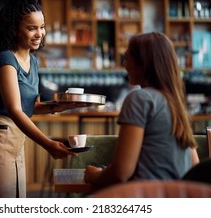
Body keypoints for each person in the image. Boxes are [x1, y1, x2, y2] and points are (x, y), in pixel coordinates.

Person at [0, 0, 76, 198]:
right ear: (15, 28)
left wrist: (63, 105)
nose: (39, 34)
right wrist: (48, 144)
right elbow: (14, 110)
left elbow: (29, 108)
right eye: (31, 28)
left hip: (16, 143)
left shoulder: (32, 62)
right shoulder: (6, 59)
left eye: (42, 27)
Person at [84, 32, 199, 188]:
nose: (124, 65)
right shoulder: (176, 104)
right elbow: (194, 167)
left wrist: (94, 175)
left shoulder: (139, 98)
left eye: (127, 58)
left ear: (143, 63)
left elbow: (121, 173)